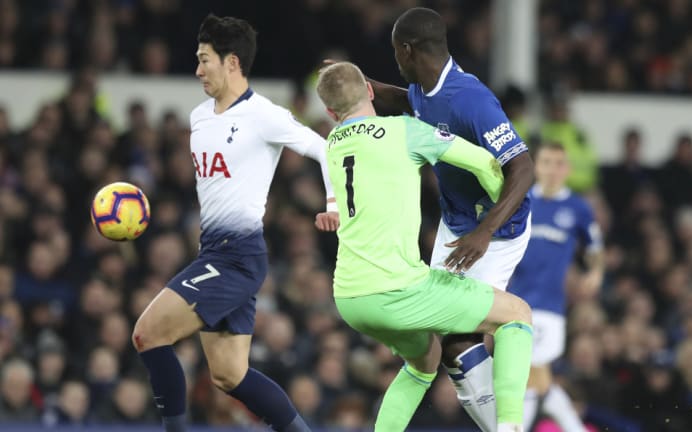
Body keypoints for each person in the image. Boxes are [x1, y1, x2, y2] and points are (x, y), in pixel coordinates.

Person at [131, 14, 338, 432]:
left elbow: (325, 148)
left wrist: (333, 202)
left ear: (232, 63)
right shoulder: (199, 117)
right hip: (214, 250)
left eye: (204, 60)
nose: (197, 70)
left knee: (147, 335)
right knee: (229, 375)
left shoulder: (265, 115)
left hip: (238, 256)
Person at [331, 7, 534, 431]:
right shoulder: (421, 86)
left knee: (463, 335)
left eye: (394, 51)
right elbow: (407, 103)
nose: (394, 59)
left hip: (495, 231)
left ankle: (508, 425)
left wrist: (485, 231)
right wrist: (356, 85)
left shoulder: (471, 99)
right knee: (441, 347)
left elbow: (523, 167)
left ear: (407, 50)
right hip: (456, 223)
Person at [507, 143, 604, 431]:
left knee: (528, 374)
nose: (552, 169)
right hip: (515, 304)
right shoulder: (520, 201)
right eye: (546, 162)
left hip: (550, 306)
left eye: (558, 163)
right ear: (537, 166)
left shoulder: (577, 208)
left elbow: (595, 247)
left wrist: (595, 272)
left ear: (567, 169)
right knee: (538, 378)